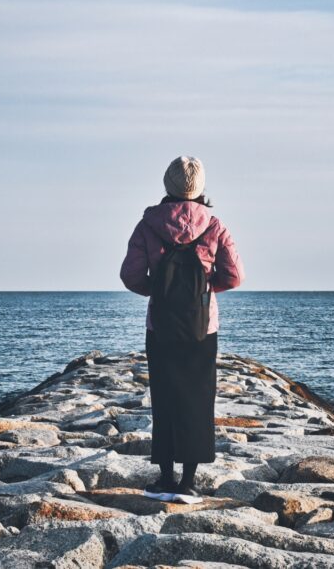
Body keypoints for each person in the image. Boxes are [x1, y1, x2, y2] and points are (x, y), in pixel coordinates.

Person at [120, 155, 245, 503]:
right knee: (198, 399)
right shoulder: (215, 225)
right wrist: (203, 291)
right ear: (200, 188)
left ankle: (164, 479)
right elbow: (235, 276)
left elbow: (130, 276)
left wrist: (160, 291)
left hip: (160, 324)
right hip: (202, 326)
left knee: (164, 397)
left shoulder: (148, 224)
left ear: (167, 185)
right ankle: (189, 482)